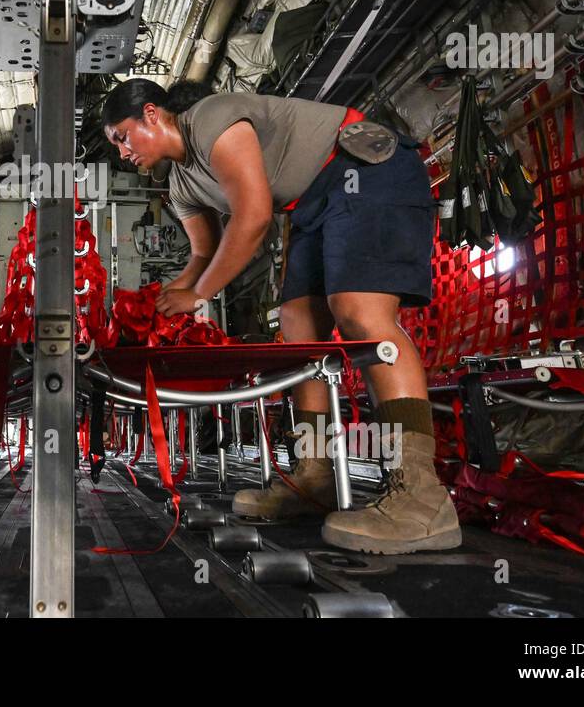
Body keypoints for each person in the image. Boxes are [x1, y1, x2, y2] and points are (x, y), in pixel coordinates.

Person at [100, 79, 460, 554]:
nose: (123, 152)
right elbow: (202, 255)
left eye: (123, 136)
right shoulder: (180, 183)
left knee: (358, 312)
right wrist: (153, 304)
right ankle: (315, 477)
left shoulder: (210, 118)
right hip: (315, 203)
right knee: (297, 323)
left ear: (152, 114)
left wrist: (199, 295)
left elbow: (253, 217)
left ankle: (422, 495)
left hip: (366, 168)